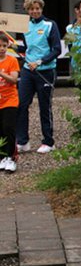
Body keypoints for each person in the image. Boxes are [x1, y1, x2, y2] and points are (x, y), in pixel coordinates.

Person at [16, 0, 62, 154]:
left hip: (46, 71)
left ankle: (48, 141)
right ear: (27, 10)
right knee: (21, 104)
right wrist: (14, 47)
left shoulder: (50, 25)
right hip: (28, 71)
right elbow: (26, 49)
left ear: (41, 8)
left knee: (44, 106)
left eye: (37, 8)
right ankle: (22, 141)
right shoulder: (25, 26)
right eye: (31, 9)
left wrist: (41, 61)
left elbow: (57, 49)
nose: (35, 11)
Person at [0, 33, 19, 173]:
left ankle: (11, 157)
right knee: (0, 130)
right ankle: (2, 157)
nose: (2, 49)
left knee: (8, 128)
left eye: (4, 46)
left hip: (10, 99)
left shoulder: (12, 60)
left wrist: (1, 73)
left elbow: (13, 79)